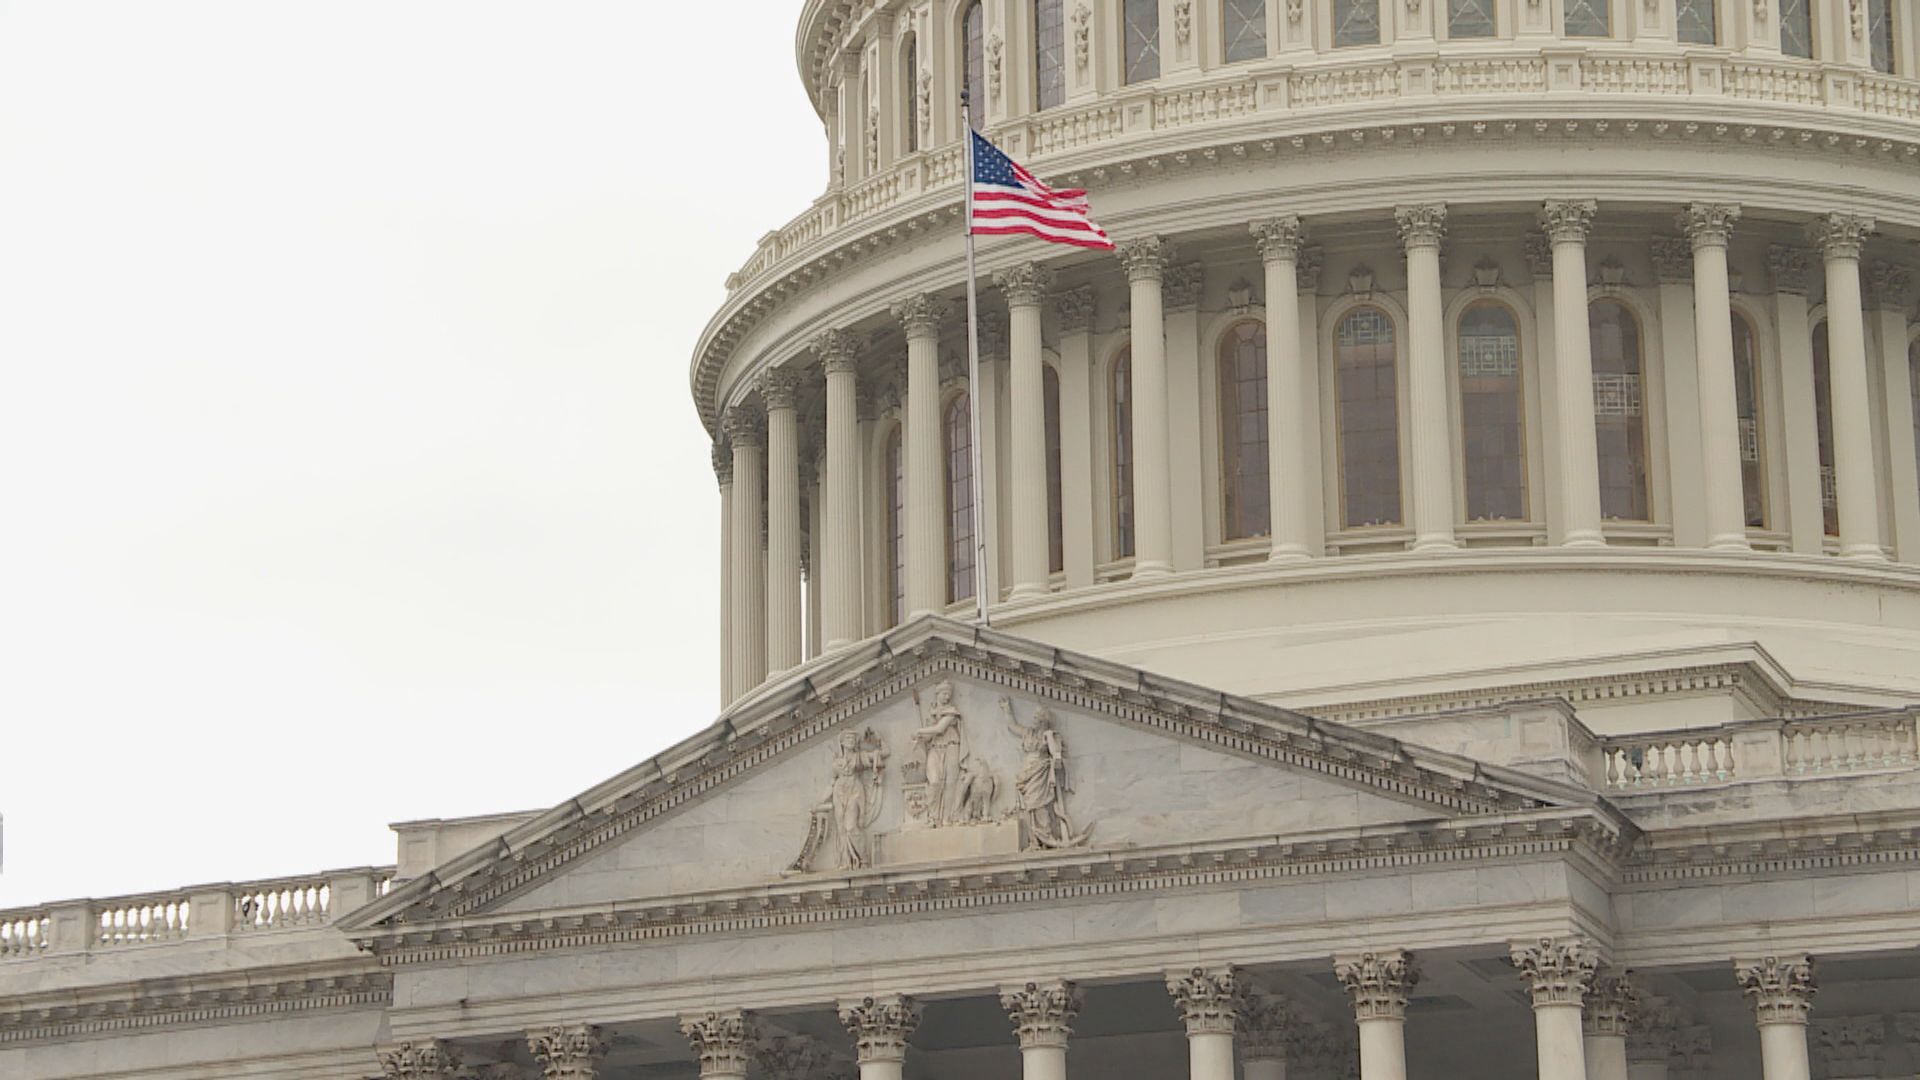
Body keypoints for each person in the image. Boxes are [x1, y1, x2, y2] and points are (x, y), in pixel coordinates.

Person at [1000, 697, 1090, 849]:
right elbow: (1012, 726)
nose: (1034, 720)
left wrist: (1051, 744)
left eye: (1037, 717)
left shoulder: (1051, 735)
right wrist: (1007, 709)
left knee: (1038, 805)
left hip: (1041, 772)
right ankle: (1034, 840)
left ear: (1043, 721)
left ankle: (1046, 835)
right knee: (1029, 807)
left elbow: (1056, 753)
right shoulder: (1028, 733)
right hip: (1027, 773)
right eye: (1034, 717)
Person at [912, 680, 966, 826]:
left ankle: (947, 818)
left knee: (950, 783)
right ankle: (933, 817)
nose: (946, 697)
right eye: (943, 693)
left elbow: (940, 729)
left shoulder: (952, 712)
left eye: (948, 694)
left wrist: (920, 731)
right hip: (935, 748)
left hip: (951, 747)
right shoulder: (932, 713)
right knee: (934, 781)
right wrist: (921, 738)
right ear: (937, 694)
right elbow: (931, 736)